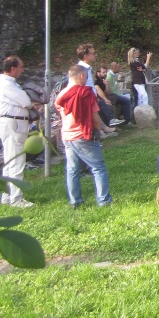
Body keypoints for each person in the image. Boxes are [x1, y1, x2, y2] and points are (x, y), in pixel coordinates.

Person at [55, 65, 114, 208]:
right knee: (98, 167)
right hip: (83, 134)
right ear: (81, 76)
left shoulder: (62, 94)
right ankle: (104, 200)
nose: (87, 79)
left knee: (72, 169)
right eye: (86, 76)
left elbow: (60, 109)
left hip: (67, 135)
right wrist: (98, 130)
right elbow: (94, 115)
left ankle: (75, 201)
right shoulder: (86, 93)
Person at [0, 56, 39, 207]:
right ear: (13, 69)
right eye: (21, 67)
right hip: (12, 123)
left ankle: (7, 195)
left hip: (12, 122)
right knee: (17, 160)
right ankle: (16, 198)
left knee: (10, 160)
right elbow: (25, 101)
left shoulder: (9, 83)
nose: (23, 70)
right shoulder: (7, 85)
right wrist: (29, 103)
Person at [77, 43, 117, 125]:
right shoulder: (80, 70)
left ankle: (106, 128)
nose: (96, 55)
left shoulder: (87, 68)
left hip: (92, 100)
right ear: (86, 56)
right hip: (87, 102)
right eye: (93, 53)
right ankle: (105, 129)